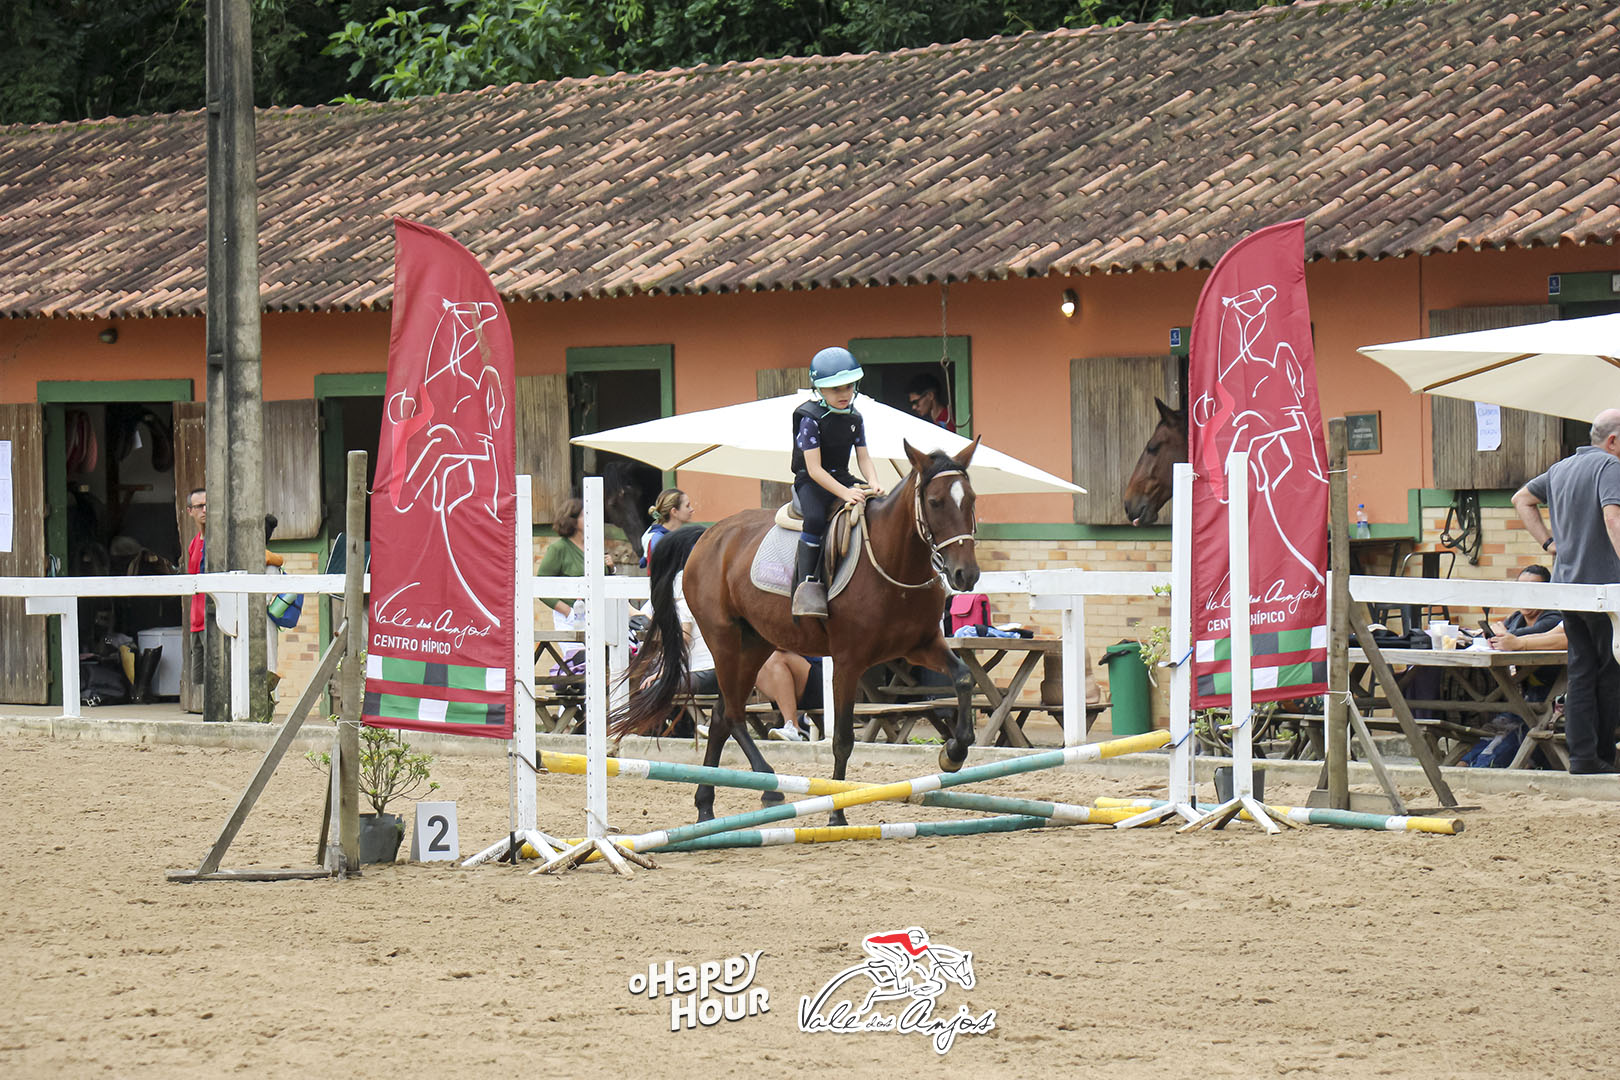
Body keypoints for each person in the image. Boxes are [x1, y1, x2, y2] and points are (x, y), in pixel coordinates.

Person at [1512, 410, 1620, 774]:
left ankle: (1582, 757)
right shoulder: (1609, 466)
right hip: (1603, 590)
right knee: (1608, 672)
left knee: (1581, 671)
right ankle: (1601, 755)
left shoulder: (1560, 469)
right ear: (1613, 441)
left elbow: (1521, 499)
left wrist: (1548, 543)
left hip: (1567, 589)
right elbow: (1613, 517)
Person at [791, 346, 884, 617]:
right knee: (816, 519)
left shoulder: (855, 417)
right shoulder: (809, 419)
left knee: (878, 507)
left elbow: (864, 458)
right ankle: (806, 585)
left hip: (843, 478)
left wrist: (874, 481)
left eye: (849, 387)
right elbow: (815, 469)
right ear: (819, 389)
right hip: (812, 482)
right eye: (836, 389)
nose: (844, 394)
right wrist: (845, 493)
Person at [1462, 564, 1566, 768]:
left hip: (1550, 701)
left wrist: (1505, 635)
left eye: (1534, 590)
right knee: (1493, 731)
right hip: (1523, 698)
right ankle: (1463, 765)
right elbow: (1503, 634)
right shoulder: (1517, 618)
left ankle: (1482, 766)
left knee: (1506, 738)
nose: (1526, 596)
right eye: (1521, 590)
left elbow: (1518, 638)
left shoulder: (1553, 617)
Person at [536, 496, 614, 631]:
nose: (590, 519)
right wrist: (568, 612)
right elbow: (541, 588)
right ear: (572, 520)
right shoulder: (558, 549)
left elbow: (604, 584)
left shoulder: (594, 547)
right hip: (571, 621)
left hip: (600, 619)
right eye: (584, 515)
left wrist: (611, 568)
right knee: (579, 653)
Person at [759, 650, 824, 741]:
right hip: (790, 683)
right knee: (749, 661)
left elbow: (785, 644)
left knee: (776, 657)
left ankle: (793, 727)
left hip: (825, 678)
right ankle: (734, 725)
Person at [183, 487, 207, 713]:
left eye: (207, 505)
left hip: (212, 618)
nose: (205, 510)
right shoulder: (194, 544)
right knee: (199, 676)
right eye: (199, 506)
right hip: (195, 619)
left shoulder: (215, 542)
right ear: (190, 511)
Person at [639, 487, 695, 569]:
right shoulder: (657, 539)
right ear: (674, 512)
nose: (692, 509)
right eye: (687, 506)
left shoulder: (683, 537)